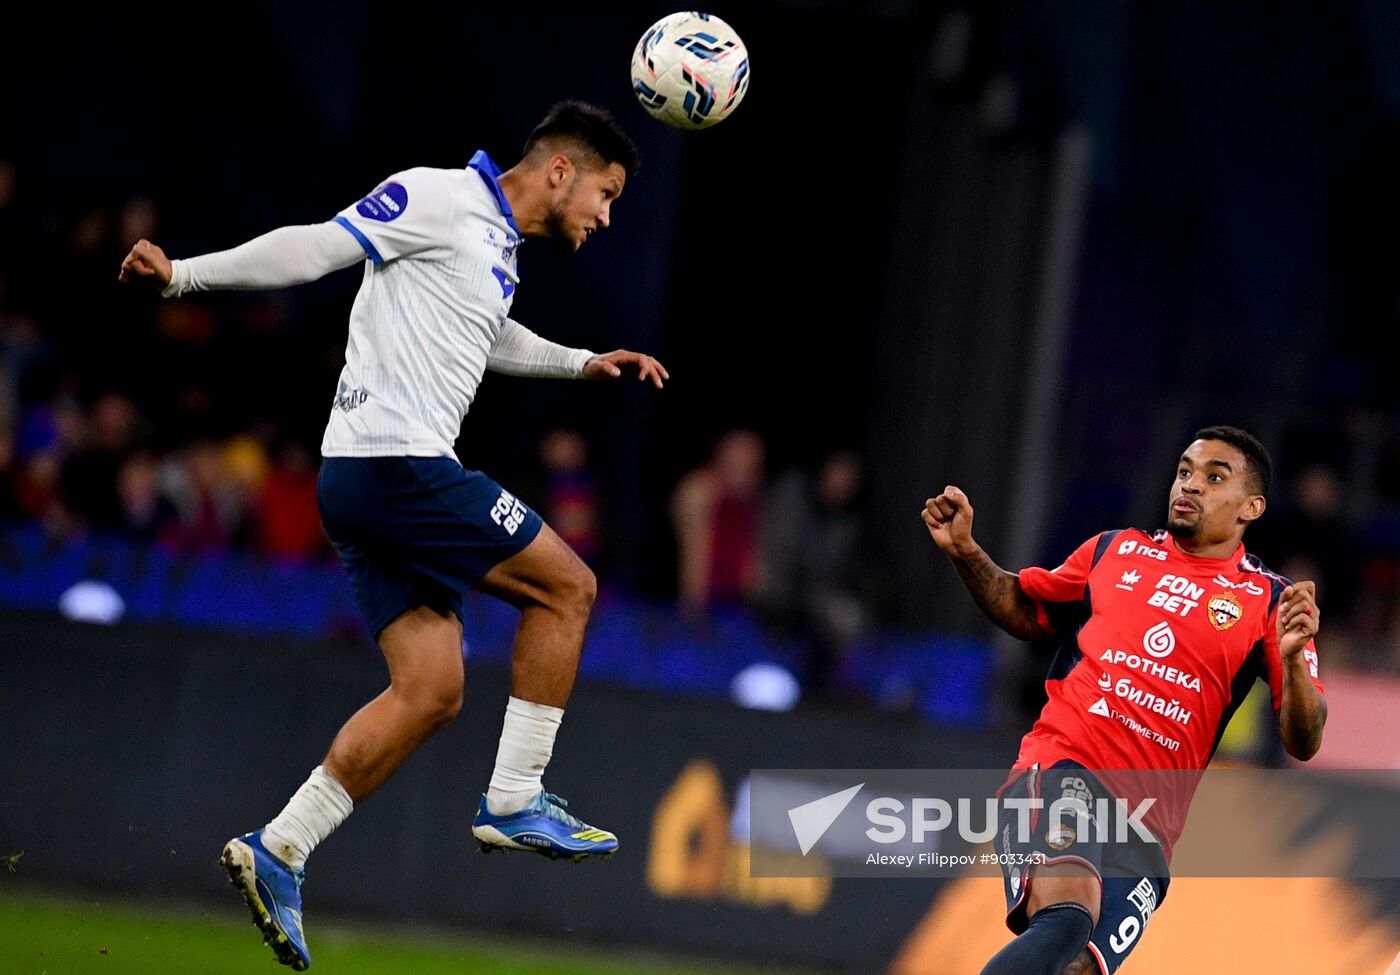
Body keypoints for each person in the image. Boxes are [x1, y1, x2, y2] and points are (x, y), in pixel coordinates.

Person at [119, 100, 667, 972]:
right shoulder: (437, 198)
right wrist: (185, 275)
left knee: (433, 688)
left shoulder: (494, 247)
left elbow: (485, 336)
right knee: (571, 588)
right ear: (561, 170)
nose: (606, 215)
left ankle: (281, 847)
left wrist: (578, 362)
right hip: (397, 464)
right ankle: (515, 795)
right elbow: (319, 244)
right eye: (606, 192)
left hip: (365, 480)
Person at [921, 426, 1327, 975]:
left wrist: (1296, 661)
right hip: (1062, 770)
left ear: (1251, 507)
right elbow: (1026, 610)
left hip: (1148, 830)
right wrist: (967, 553)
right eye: (1185, 471)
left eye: (1213, 477)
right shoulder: (1114, 551)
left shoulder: (1269, 602)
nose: (1189, 486)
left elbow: (1303, 740)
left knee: (1077, 967)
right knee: (1068, 915)